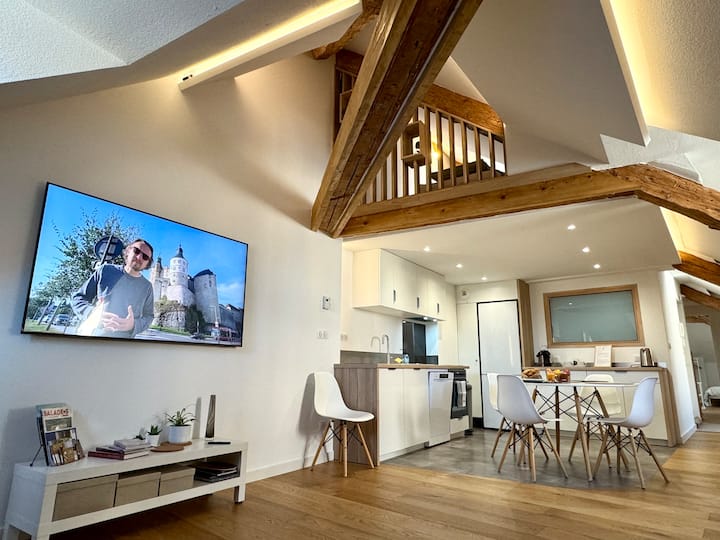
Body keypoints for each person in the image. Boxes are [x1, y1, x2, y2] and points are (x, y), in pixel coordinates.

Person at [71, 239, 155, 338]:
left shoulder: (147, 287)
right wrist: (91, 313)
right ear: (128, 251)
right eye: (136, 251)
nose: (139, 257)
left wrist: (133, 325)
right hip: (90, 337)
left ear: (147, 263)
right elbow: (78, 298)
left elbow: (149, 316)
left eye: (145, 257)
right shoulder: (105, 270)